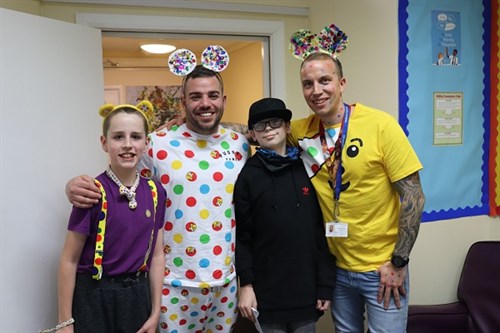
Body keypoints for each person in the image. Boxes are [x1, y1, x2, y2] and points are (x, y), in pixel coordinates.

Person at [65, 65, 250, 332]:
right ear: (183, 102)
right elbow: (121, 182)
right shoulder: (157, 143)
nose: (205, 103)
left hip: (226, 282)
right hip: (172, 284)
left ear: (224, 99)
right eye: (196, 96)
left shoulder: (239, 144)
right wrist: (73, 186)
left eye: (213, 95)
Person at [54, 101, 166, 333]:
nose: (127, 145)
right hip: (94, 298)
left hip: (137, 297)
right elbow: (69, 260)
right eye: (118, 137)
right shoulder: (91, 192)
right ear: (104, 143)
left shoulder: (155, 192)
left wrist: (155, 311)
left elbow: (156, 256)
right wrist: (65, 322)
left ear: (146, 142)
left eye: (135, 136)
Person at [234, 97, 336, 333]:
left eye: (275, 122)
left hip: (306, 289)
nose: (268, 129)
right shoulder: (248, 176)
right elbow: (243, 237)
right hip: (267, 292)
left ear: (287, 126)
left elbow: (318, 231)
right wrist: (246, 285)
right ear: (253, 135)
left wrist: (324, 284)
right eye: (260, 125)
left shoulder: (308, 167)